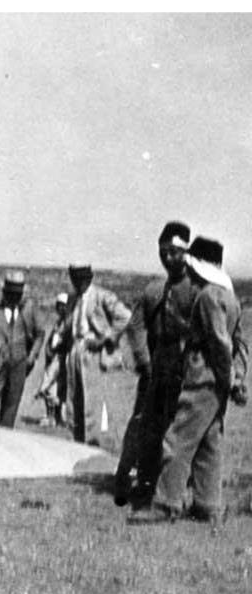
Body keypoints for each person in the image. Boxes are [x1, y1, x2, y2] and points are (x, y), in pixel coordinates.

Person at [129, 236, 248, 526]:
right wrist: (235, 378)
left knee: (177, 439)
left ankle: (165, 503)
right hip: (217, 382)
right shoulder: (230, 297)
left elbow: (220, 343)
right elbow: (237, 342)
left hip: (203, 377)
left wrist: (228, 379)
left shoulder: (207, 297)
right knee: (209, 442)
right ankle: (207, 505)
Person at [114, 222, 197, 507]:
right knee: (145, 426)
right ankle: (138, 480)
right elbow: (135, 327)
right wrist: (145, 363)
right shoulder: (153, 291)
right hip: (154, 372)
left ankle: (178, 486)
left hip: (184, 372)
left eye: (174, 252)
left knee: (179, 430)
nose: (168, 258)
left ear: (187, 252)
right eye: (163, 252)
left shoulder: (196, 289)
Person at [61, 264, 132, 443]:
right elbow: (67, 325)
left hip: (92, 353)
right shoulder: (72, 299)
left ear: (89, 278)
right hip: (75, 350)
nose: (78, 282)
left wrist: (105, 338)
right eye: (74, 278)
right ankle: (76, 443)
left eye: (81, 278)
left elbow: (125, 317)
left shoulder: (102, 296)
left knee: (90, 402)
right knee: (73, 402)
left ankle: (91, 443)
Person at [0, 271, 44, 428]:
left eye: (18, 294)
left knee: (9, 416)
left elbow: (40, 333)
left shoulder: (28, 309)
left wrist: (32, 355)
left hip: (17, 370)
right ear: (4, 291)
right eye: (11, 293)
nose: (15, 298)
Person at [35, 293, 70, 427]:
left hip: (60, 360)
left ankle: (57, 417)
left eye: (63, 306)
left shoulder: (68, 324)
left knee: (55, 389)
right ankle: (52, 417)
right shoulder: (58, 322)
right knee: (51, 388)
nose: (61, 308)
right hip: (53, 360)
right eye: (59, 306)